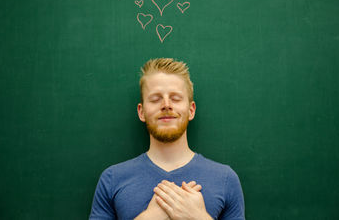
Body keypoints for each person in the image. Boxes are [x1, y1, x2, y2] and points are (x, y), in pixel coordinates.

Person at [89, 58, 245, 220]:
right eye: (155, 99)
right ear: (141, 112)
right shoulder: (112, 178)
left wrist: (198, 217)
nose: (166, 105)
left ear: (191, 110)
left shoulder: (225, 178)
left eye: (176, 98)